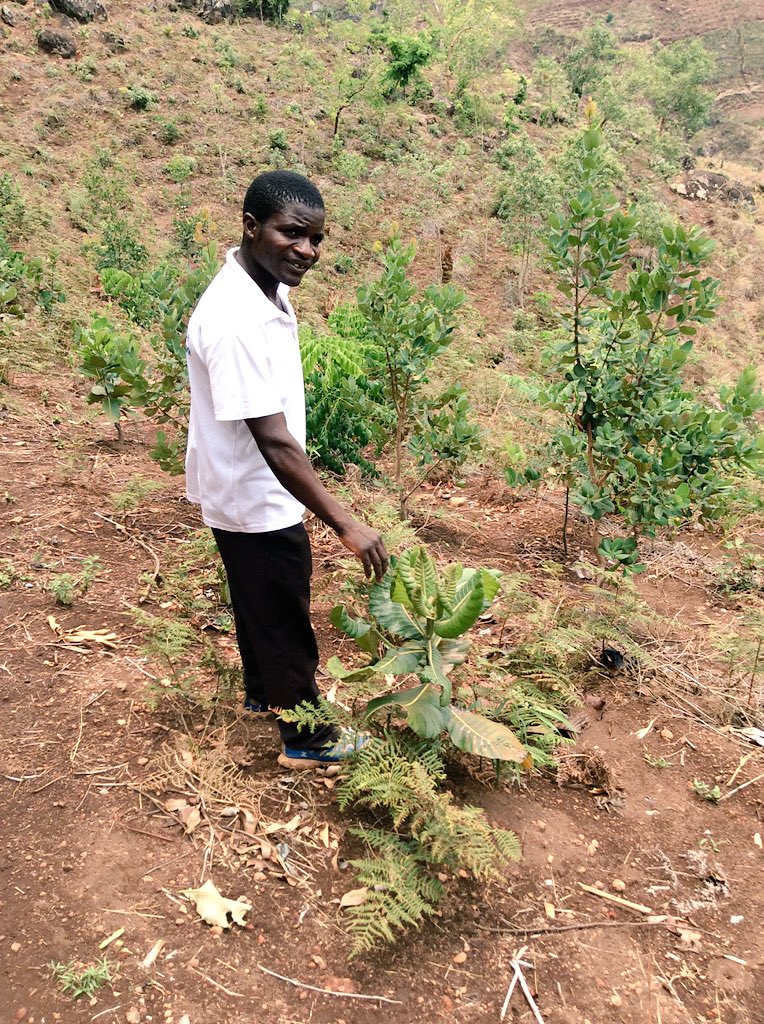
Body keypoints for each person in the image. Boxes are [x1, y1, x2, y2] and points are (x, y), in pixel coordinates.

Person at [185, 170, 389, 768]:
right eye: (292, 233)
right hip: (256, 491)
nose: (307, 251)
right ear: (251, 227)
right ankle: (308, 736)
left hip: (240, 484)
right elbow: (274, 443)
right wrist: (346, 523)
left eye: (316, 239)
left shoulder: (263, 286)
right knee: (284, 615)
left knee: (257, 599)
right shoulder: (235, 319)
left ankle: (262, 694)